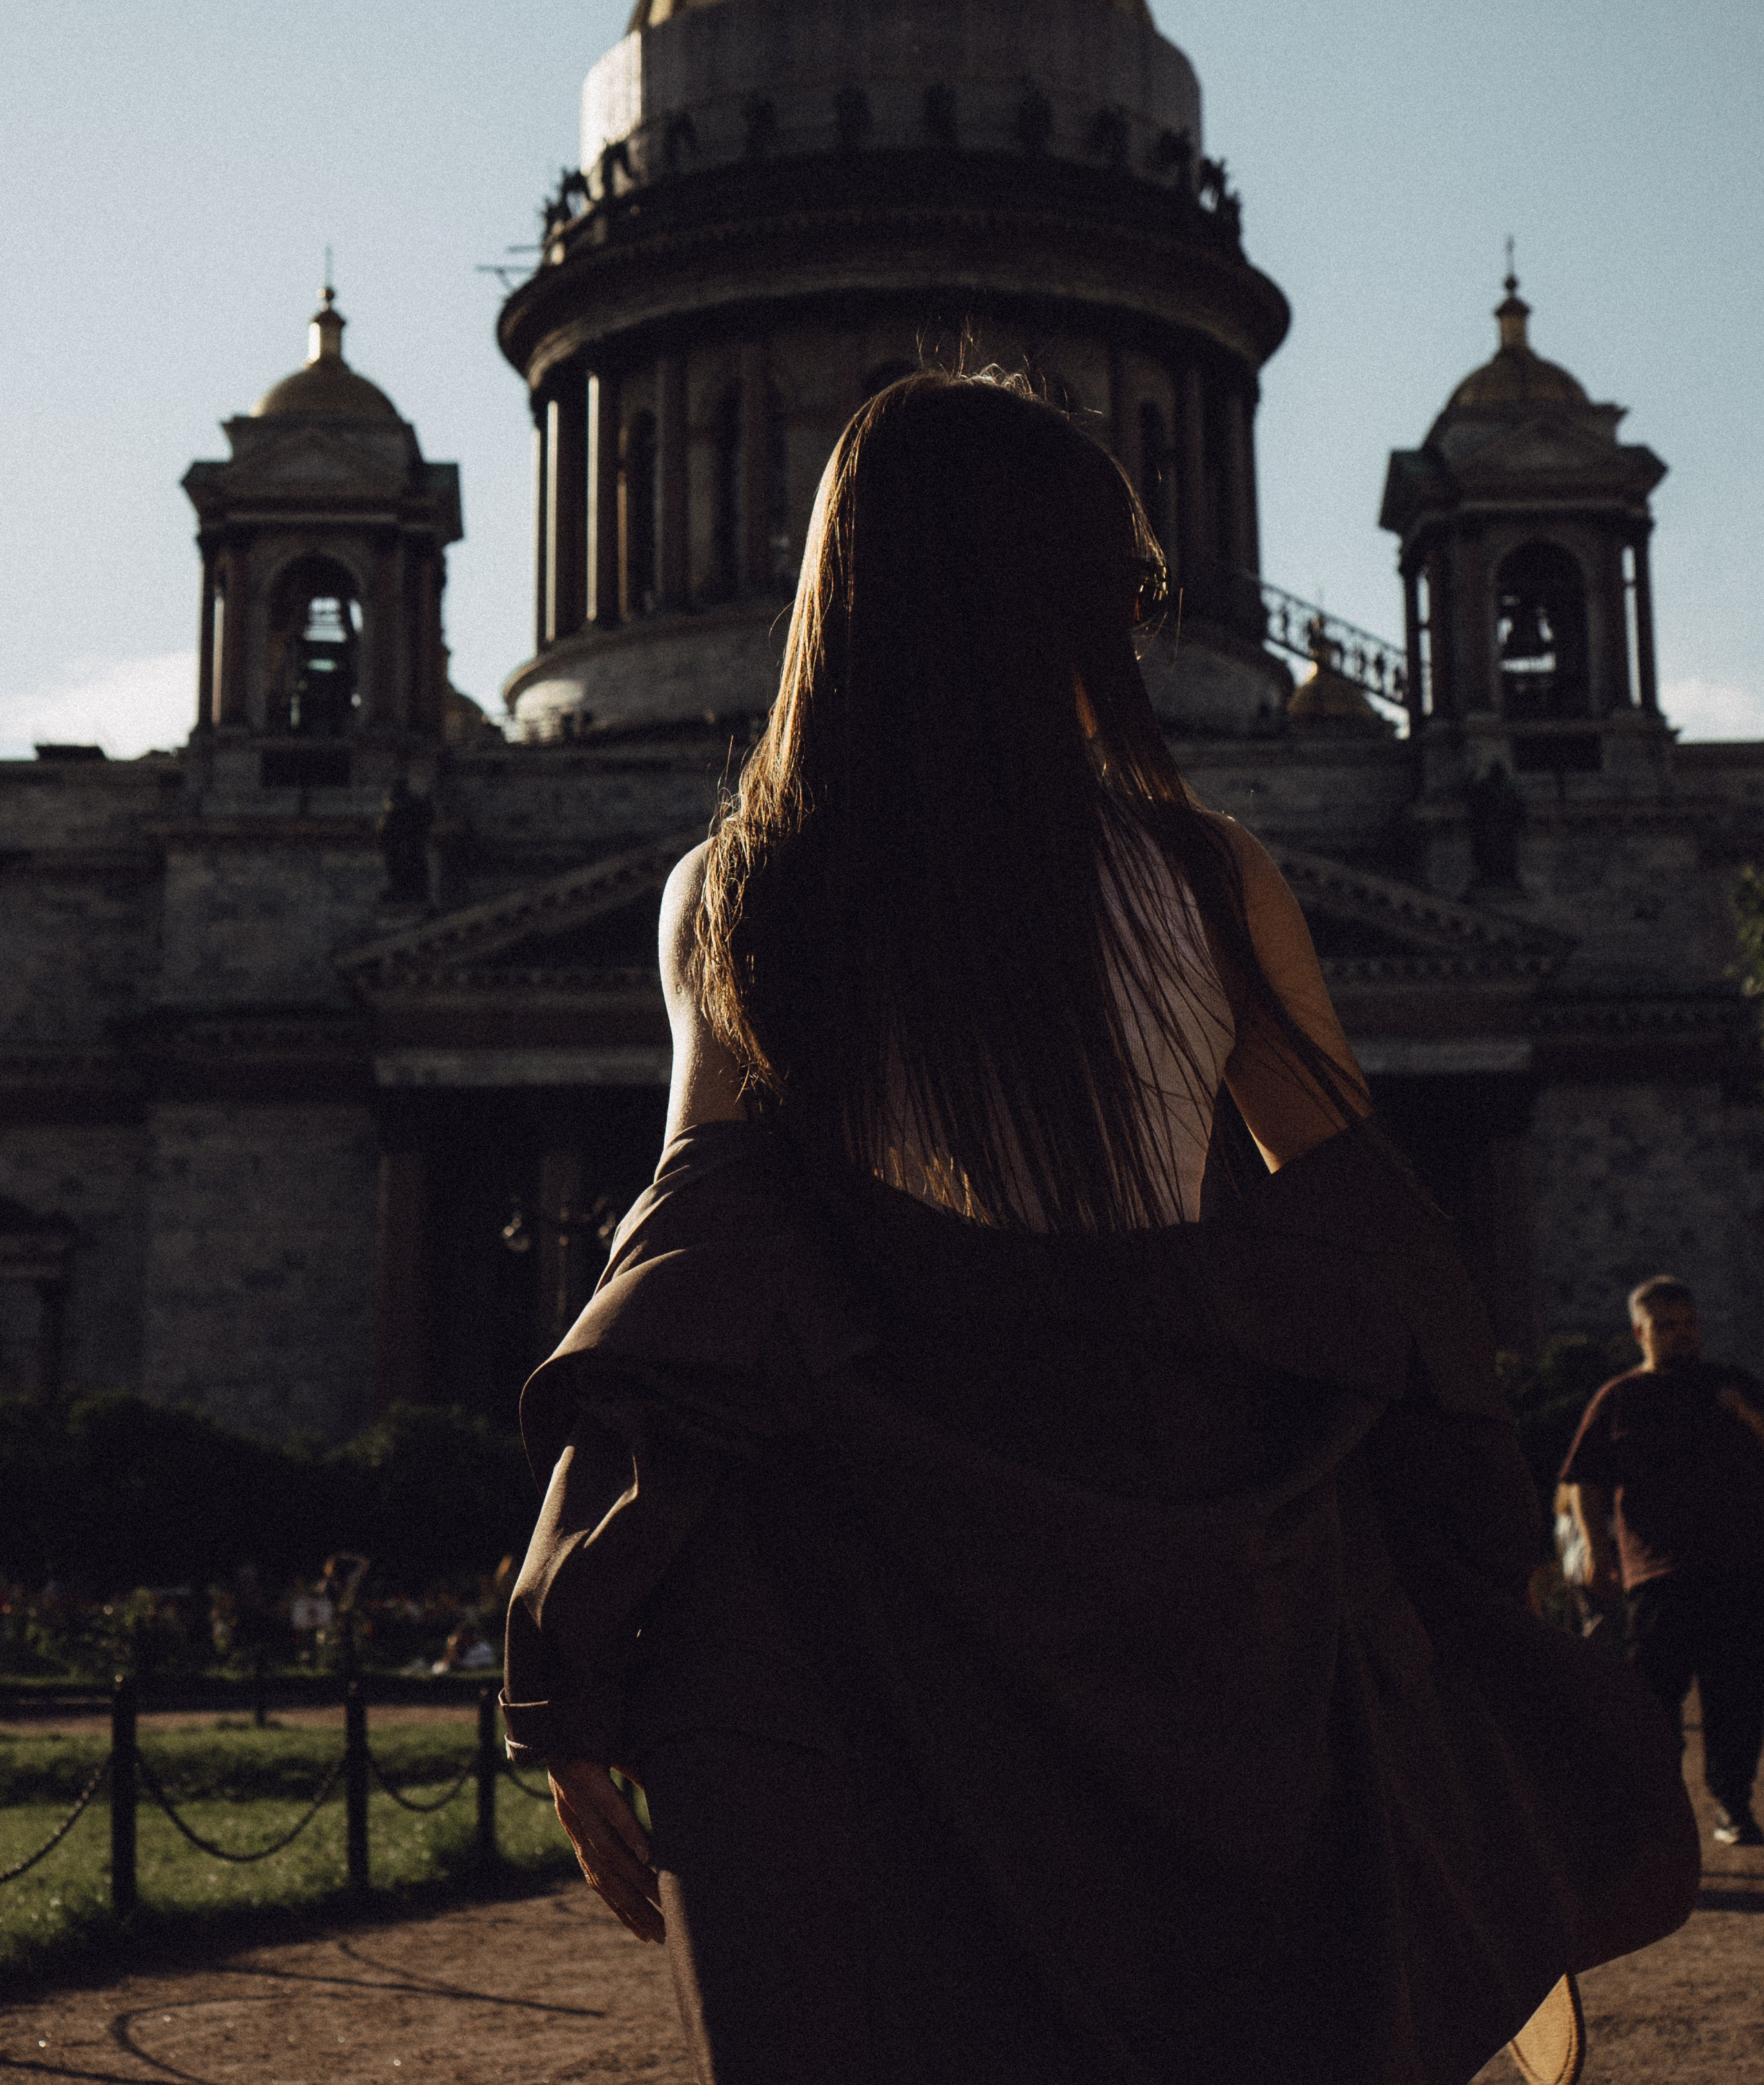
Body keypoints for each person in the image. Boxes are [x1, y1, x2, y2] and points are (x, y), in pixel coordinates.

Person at [504, 370, 1696, 2085]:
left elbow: (676, 1286)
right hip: (1207, 1562)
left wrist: (574, 1640)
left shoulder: (738, 896)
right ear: (1072, 603)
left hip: (874, 1575)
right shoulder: (1206, 878)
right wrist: (1455, 1545)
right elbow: (1380, 1246)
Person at [1562, 1274, 1764, 1845]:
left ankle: (1732, 1806)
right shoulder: (1620, 1398)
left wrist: (1746, 1416)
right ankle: (1660, 1814)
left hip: (1740, 1569)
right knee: (1655, 1701)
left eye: (1688, 1323)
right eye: (1666, 1326)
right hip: (1658, 1575)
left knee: (1738, 1697)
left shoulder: (1733, 1385)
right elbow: (1585, 1482)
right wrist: (1599, 1555)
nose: (1681, 1336)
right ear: (1640, 1332)